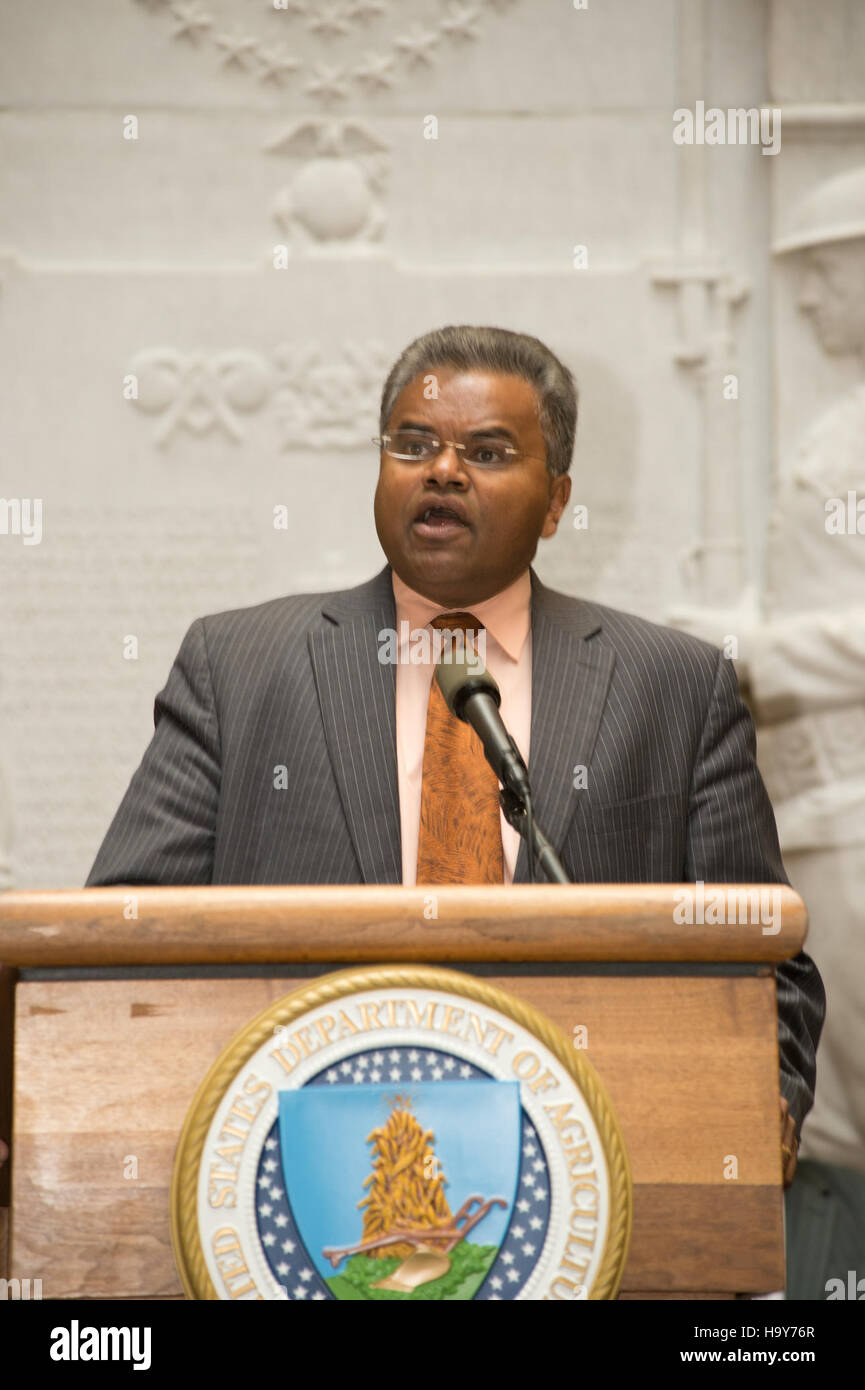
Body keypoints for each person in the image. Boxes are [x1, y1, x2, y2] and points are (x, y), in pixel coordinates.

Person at [85, 324, 823, 1184]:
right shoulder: (239, 667)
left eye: (486, 450)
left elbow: (762, 957)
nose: (441, 470)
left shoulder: (673, 686)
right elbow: (122, 934)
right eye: (412, 444)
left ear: (555, 502)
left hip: (588, 1181)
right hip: (291, 1176)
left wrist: (757, 1098)